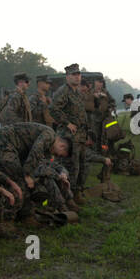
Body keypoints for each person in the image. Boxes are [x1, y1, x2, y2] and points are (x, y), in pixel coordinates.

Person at [49, 64, 88, 202]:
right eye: (74, 74)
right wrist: (67, 123)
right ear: (67, 76)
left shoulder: (77, 92)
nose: (77, 77)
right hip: (68, 137)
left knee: (82, 165)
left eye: (79, 74)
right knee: (71, 166)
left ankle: (77, 192)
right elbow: (53, 109)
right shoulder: (63, 91)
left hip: (80, 136)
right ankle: (68, 196)